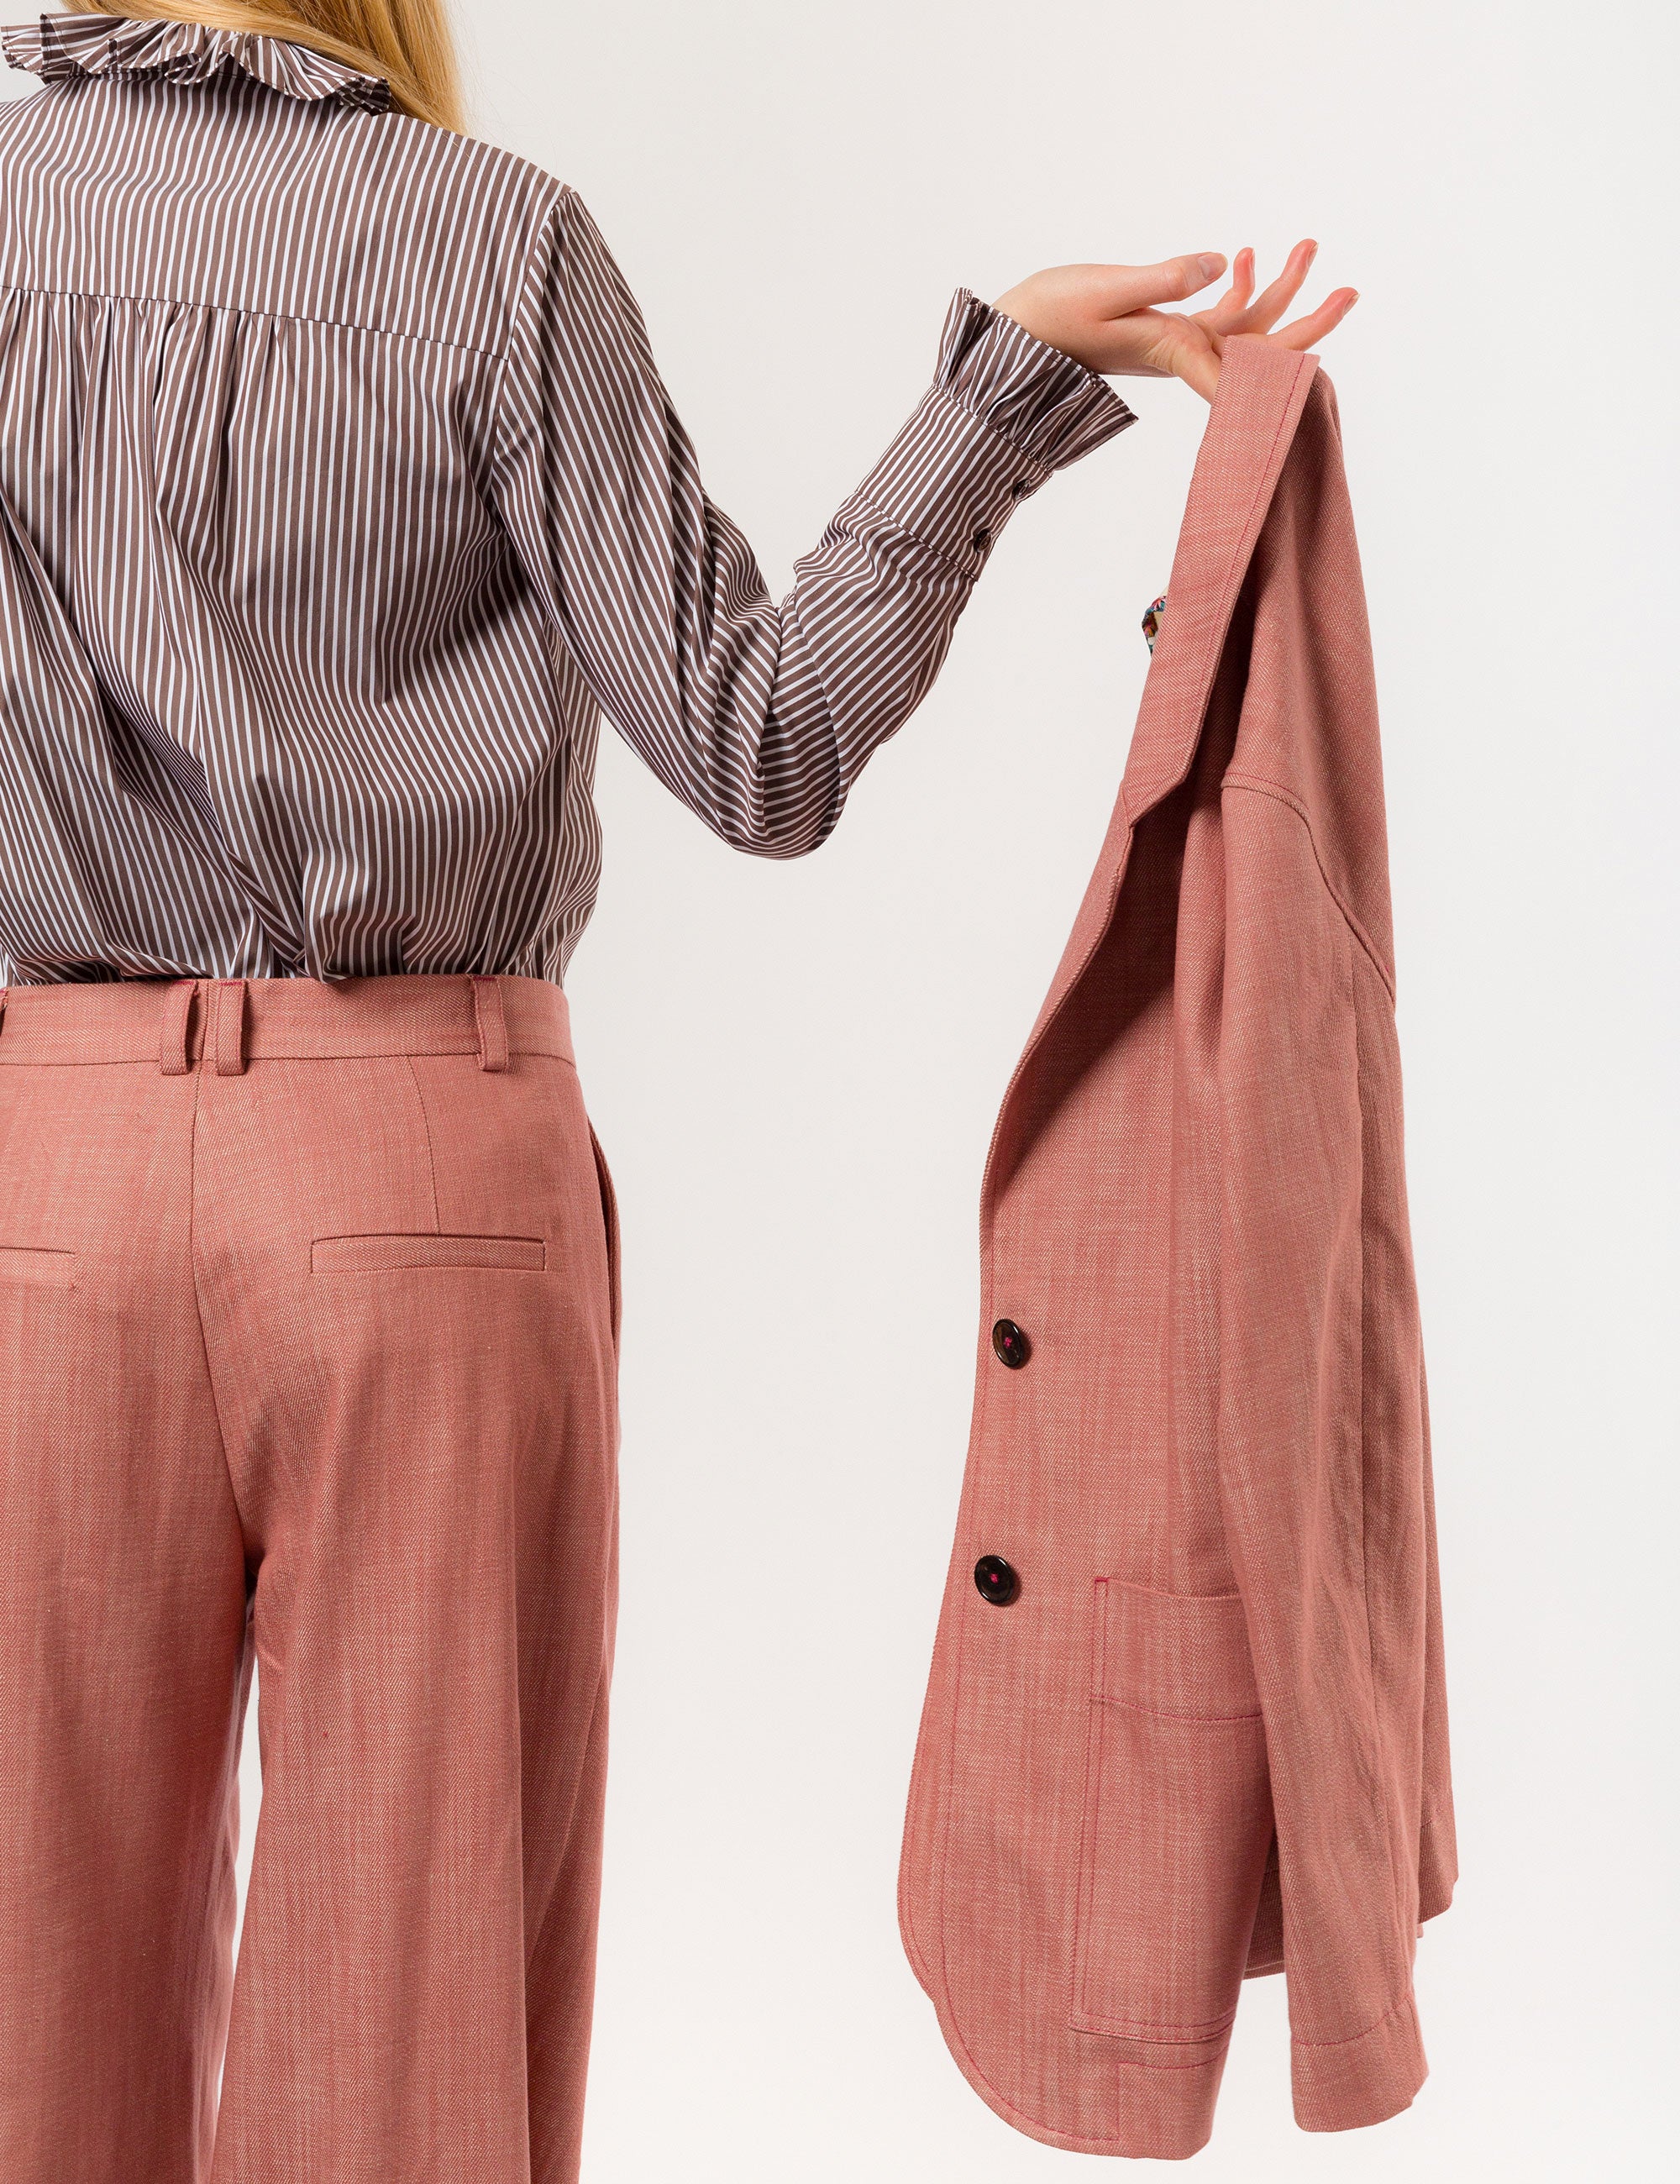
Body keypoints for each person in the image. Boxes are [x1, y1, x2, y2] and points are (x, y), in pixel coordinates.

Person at [0, 5, 1355, 2178]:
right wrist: (994, 401)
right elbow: (759, 749)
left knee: (14, 1996)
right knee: (413, 2009)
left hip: (36, 1199)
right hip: (422, 1181)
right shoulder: (488, 248)